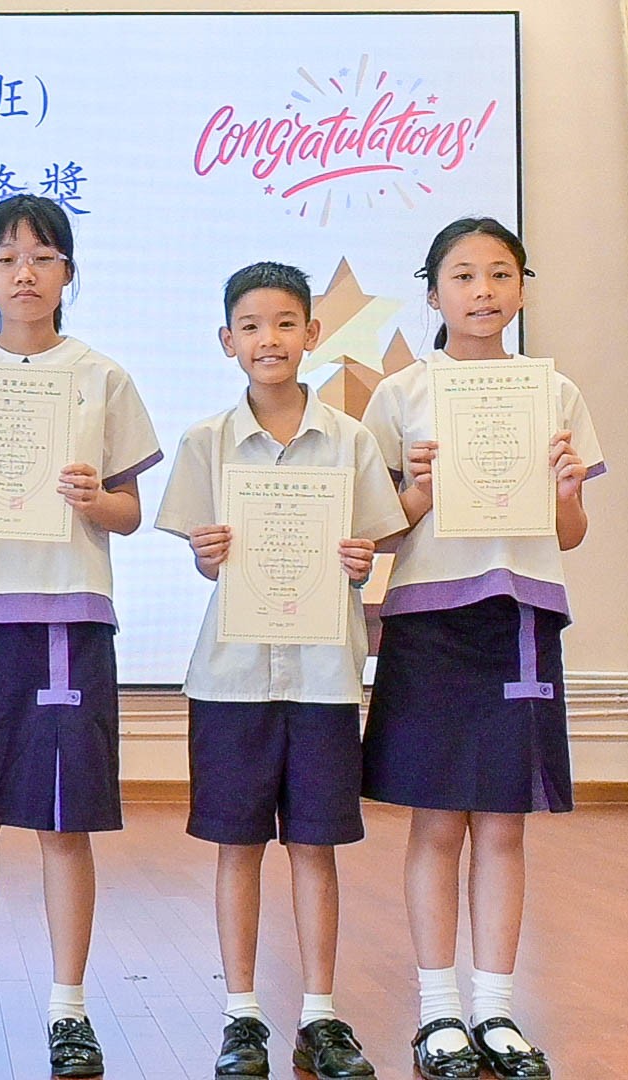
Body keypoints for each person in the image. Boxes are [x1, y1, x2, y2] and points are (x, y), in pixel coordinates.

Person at [0, 194, 161, 1080]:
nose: (25, 274)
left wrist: (95, 499)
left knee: (63, 823)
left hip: (65, 614)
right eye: (7, 258)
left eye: (44, 257)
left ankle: (68, 1010)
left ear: (68, 273)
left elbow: (129, 511)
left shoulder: (102, 376)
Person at [360, 218, 601, 1080]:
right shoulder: (399, 396)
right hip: (429, 622)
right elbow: (377, 533)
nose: (484, 290)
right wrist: (417, 494)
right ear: (433, 294)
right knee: (436, 819)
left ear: (523, 288)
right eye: (463, 275)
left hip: (520, 619)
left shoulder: (554, 392)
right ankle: (437, 1013)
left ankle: (496, 1008)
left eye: (501, 273)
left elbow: (569, 533)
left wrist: (566, 489)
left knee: (502, 821)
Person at [154, 262, 407, 1080]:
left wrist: (361, 561)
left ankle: (321, 1015)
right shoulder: (205, 442)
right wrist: (207, 554)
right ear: (227, 341)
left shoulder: (353, 441)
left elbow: (372, 546)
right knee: (236, 846)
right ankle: (242, 1014)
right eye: (252, 326)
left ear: (313, 334)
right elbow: (203, 561)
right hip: (231, 679)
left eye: (286, 323)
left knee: (315, 845)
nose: (270, 339)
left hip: (325, 675)